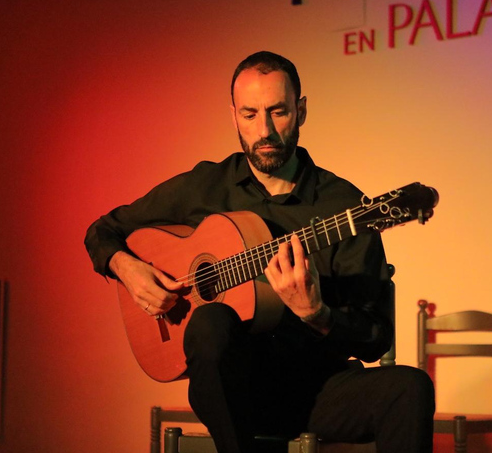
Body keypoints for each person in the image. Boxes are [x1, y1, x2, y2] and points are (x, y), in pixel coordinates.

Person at [84, 51, 435, 452]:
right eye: (250, 115)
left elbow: (375, 338)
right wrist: (127, 269)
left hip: (317, 389)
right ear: (233, 116)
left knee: (410, 387)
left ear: (301, 111)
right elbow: (104, 230)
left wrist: (317, 315)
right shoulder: (206, 186)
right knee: (211, 320)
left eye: (278, 112)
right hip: (236, 395)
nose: (264, 130)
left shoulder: (345, 206)